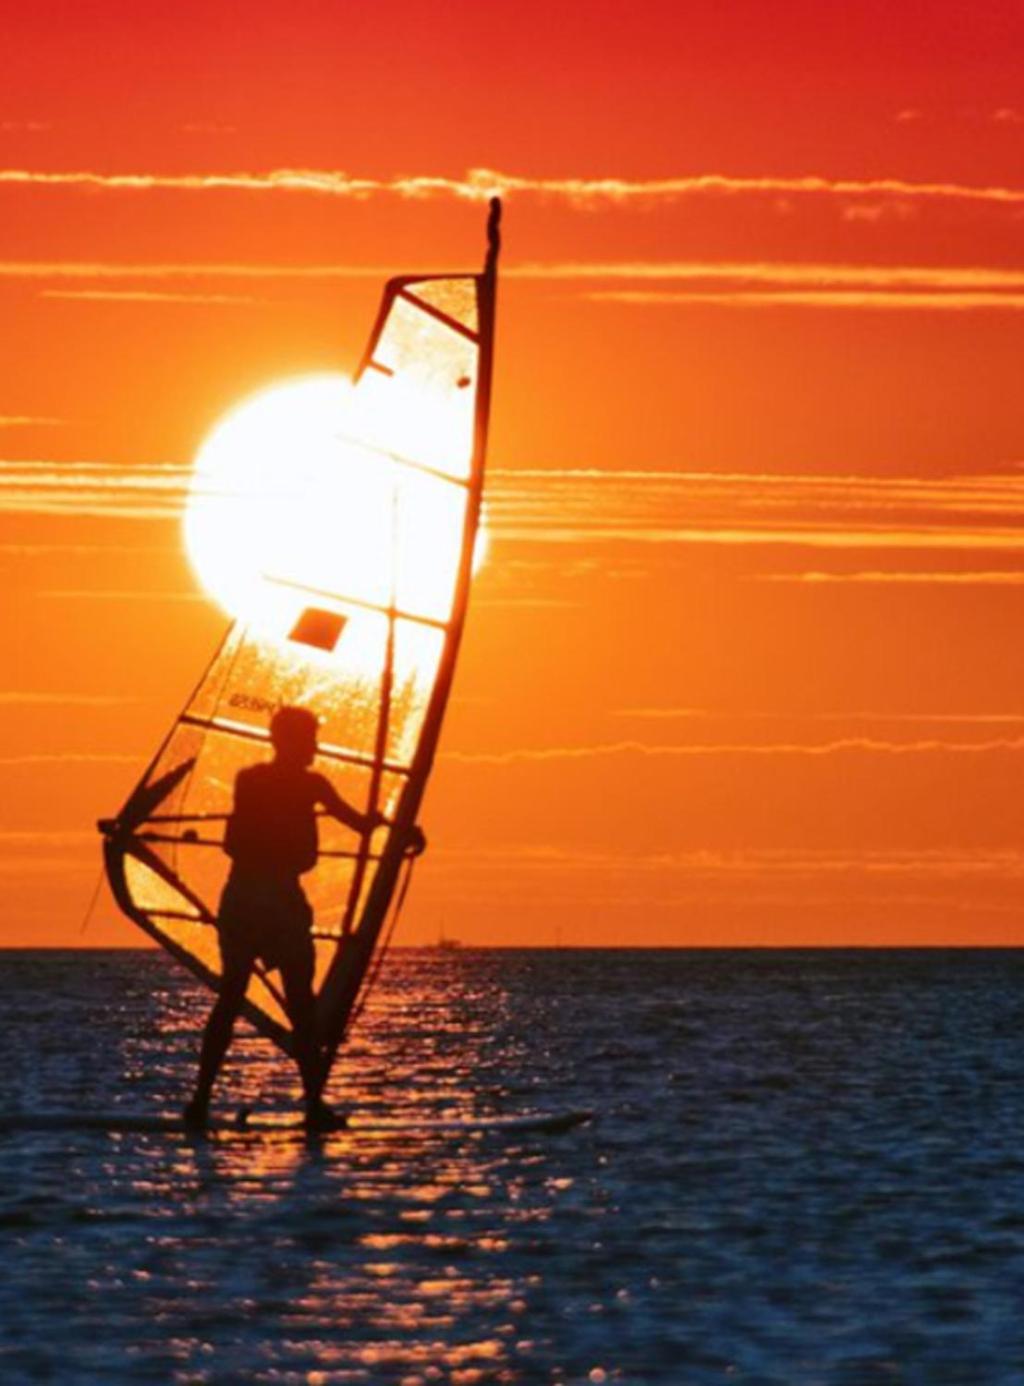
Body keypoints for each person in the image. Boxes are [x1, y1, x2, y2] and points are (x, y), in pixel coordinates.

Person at [184, 705, 403, 1131]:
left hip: (255, 895)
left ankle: (207, 1102)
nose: (316, 747)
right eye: (310, 740)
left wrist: (397, 829)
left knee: (248, 998)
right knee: (286, 1002)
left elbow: (360, 824)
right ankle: (299, 1104)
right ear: (288, 741)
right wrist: (391, 827)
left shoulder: (276, 782)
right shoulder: (285, 783)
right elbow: (357, 825)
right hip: (264, 896)